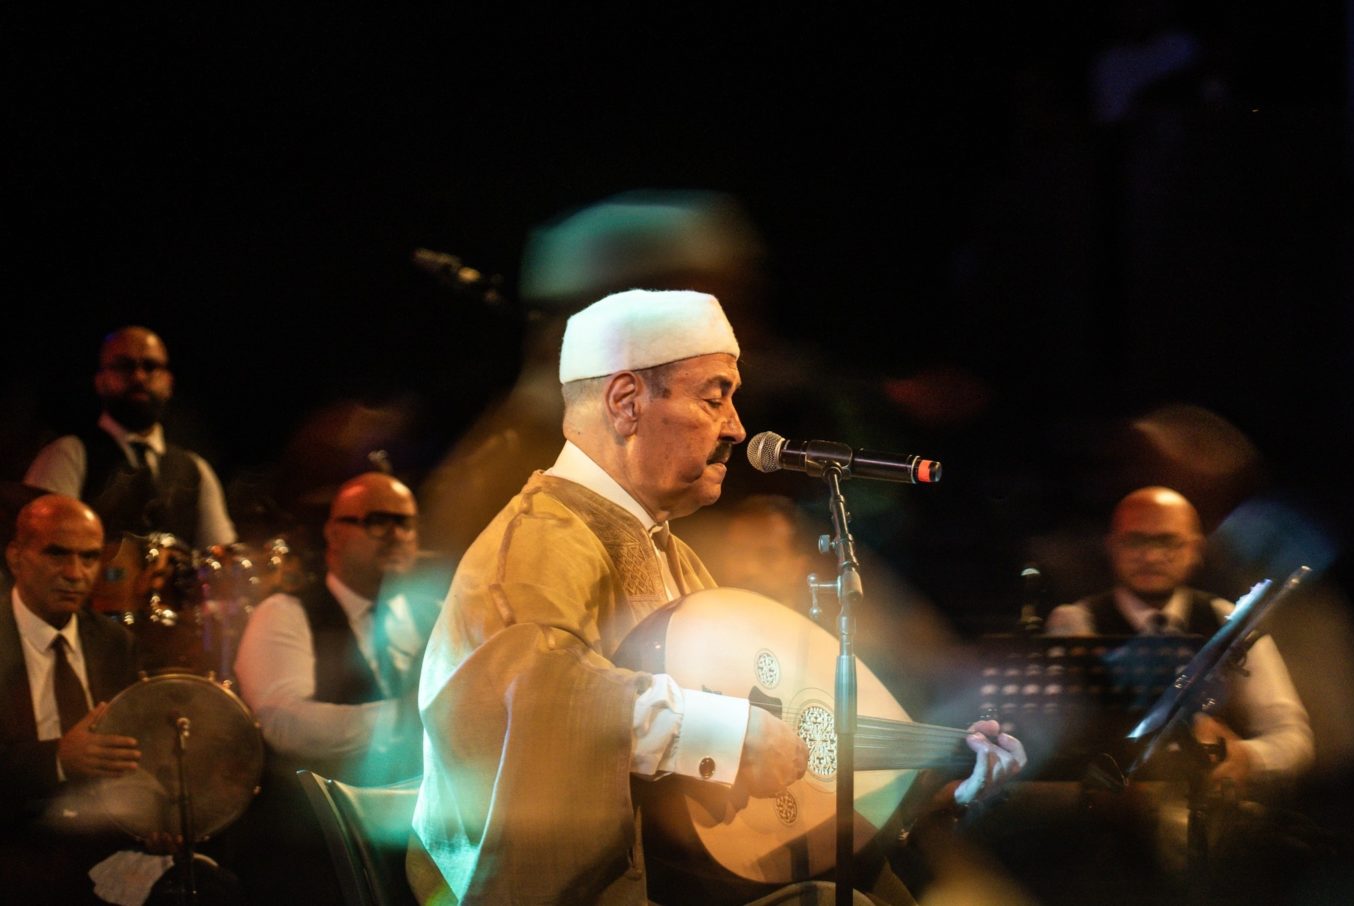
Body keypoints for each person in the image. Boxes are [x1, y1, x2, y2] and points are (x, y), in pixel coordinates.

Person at [409, 289, 1023, 905]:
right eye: (714, 397)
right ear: (626, 403)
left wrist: (928, 787)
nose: (737, 427)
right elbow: (535, 693)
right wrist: (722, 732)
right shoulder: (538, 538)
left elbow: (767, 756)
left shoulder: (670, 552)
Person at [228, 471, 439, 900]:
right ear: (333, 533)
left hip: (423, 837)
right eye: (377, 521)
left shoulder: (435, 613)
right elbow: (283, 723)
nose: (396, 535)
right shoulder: (285, 612)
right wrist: (401, 722)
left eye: (406, 523)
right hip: (319, 848)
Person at [1045, 485, 1314, 790]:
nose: (1150, 556)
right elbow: (1048, 738)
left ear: (1195, 550)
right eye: (1134, 541)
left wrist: (1247, 757)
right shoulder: (1075, 622)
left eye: (1168, 542)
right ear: (1112, 547)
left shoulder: (1228, 620)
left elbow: (1292, 735)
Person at [0, 495, 141, 904]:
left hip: (102, 836)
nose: (75, 574)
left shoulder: (115, 643)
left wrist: (157, 813)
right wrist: (59, 759)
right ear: (16, 557)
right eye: (57, 554)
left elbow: (133, 750)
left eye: (89, 557)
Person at [23, 325, 237, 549]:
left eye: (150, 366)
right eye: (124, 366)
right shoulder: (68, 455)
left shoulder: (196, 469)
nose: (138, 376)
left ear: (169, 382)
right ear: (100, 381)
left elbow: (220, 556)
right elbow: (40, 548)